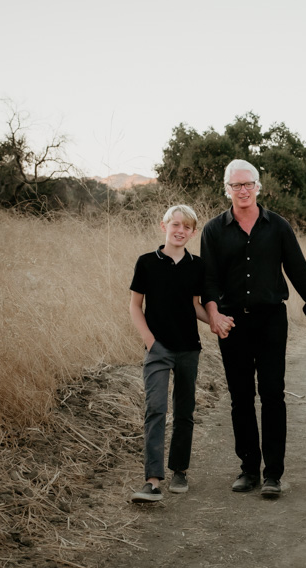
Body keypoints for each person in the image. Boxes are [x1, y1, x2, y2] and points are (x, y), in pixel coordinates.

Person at [200, 159, 306, 499]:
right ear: (226, 189)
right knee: (241, 397)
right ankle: (248, 469)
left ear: (258, 186)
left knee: (273, 394)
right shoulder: (213, 230)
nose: (242, 190)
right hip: (232, 323)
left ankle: (273, 474)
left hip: (271, 320)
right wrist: (213, 315)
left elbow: (299, 271)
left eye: (248, 184)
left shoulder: (278, 226)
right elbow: (208, 279)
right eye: (236, 185)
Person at [128, 204, 209, 503]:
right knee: (156, 409)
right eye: (175, 224)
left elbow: (195, 305)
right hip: (158, 349)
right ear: (164, 226)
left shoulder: (197, 265)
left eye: (186, 227)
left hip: (188, 348)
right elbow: (135, 306)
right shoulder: (147, 262)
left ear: (193, 232)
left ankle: (180, 470)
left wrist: (216, 321)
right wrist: (150, 341)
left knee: (185, 411)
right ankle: (152, 481)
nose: (180, 230)